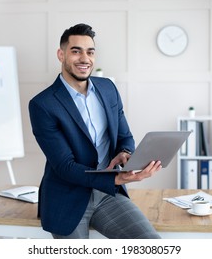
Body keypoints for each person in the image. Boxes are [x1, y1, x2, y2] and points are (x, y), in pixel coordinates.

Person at [28, 23, 162, 239]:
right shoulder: (43, 105)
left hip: (108, 196)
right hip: (67, 200)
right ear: (61, 55)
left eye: (90, 52)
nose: (84, 58)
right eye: (76, 51)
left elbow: (124, 136)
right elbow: (64, 166)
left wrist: (125, 153)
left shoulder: (108, 88)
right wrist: (117, 179)